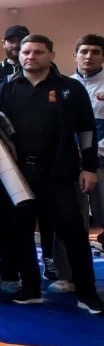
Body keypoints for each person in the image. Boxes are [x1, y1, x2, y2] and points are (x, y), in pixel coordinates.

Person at [0, 34, 103, 314]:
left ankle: (87, 293)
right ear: (19, 55)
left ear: (51, 56)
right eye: (26, 52)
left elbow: (87, 131)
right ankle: (31, 288)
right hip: (20, 175)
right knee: (20, 234)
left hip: (59, 173)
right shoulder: (8, 89)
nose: (30, 56)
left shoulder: (70, 88)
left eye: (38, 52)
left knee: (74, 234)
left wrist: (89, 167)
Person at [71, 33, 104, 236]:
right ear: (75, 55)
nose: (89, 56)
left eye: (95, 52)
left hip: (101, 159)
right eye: (84, 51)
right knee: (75, 217)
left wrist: (95, 150)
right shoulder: (65, 85)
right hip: (72, 160)